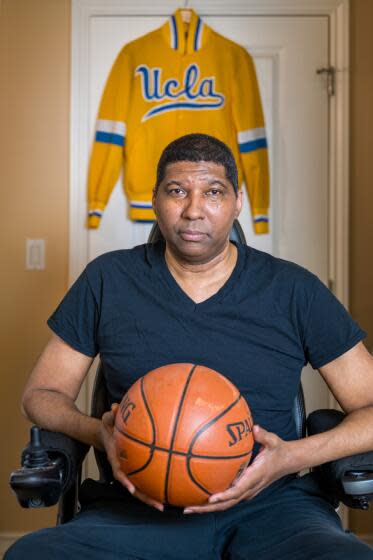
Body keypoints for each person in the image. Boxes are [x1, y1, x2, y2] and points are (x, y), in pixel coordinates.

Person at [6, 133, 373, 559]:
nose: (194, 209)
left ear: (237, 202)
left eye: (213, 192)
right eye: (177, 191)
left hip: (274, 508)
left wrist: (290, 457)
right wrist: (101, 433)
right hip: (137, 509)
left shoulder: (294, 290)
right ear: (155, 200)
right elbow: (40, 394)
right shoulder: (107, 280)